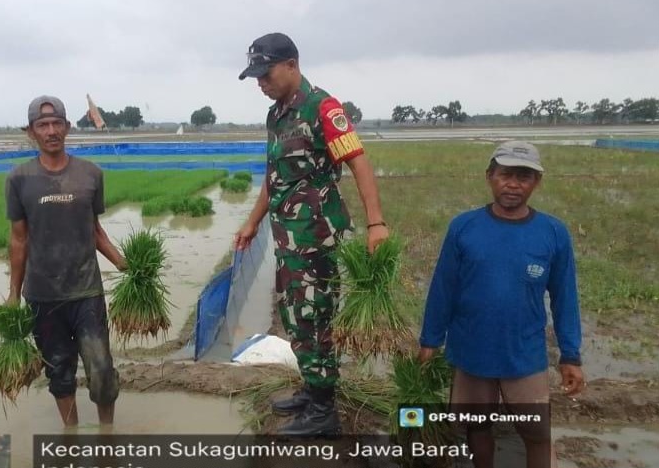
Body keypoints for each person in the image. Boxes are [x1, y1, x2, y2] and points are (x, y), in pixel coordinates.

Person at [234, 33, 389, 436]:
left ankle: (323, 411)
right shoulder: (277, 115)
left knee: (313, 316)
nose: (260, 83)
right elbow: (274, 177)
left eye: (264, 73)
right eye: (255, 76)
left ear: (291, 65)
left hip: (317, 236)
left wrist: (376, 223)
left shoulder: (323, 107)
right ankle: (312, 387)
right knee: (294, 314)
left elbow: (358, 162)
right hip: (287, 237)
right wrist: (252, 222)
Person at [418, 141, 585, 467]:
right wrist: (430, 340)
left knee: (537, 434)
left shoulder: (553, 233)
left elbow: (565, 298)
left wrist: (571, 355)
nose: (513, 184)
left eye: (524, 176)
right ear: (489, 176)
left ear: (536, 182)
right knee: (477, 427)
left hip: (524, 355)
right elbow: (443, 288)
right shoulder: (463, 227)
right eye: (505, 174)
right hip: (471, 352)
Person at [5, 95, 127, 427]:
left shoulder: (90, 174)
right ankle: (70, 434)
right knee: (59, 371)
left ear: (68, 128)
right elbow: (19, 239)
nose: (51, 130)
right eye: (42, 125)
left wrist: (126, 266)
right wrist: (14, 294)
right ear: (31, 132)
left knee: (101, 369)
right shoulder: (19, 180)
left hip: (86, 292)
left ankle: (106, 434)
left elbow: (95, 231)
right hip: (43, 295)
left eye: (57, 123)